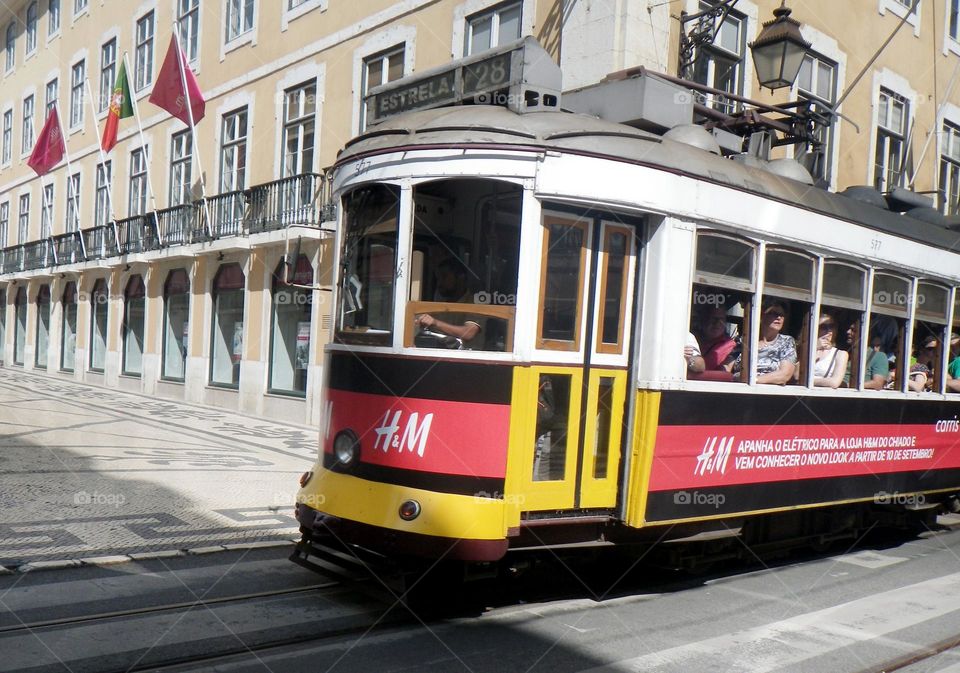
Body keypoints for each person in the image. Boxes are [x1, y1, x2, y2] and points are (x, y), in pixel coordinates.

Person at [415, 258, 481, 343]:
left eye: (444, 276)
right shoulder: (441, 305)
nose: (439, 283)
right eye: (438, 278)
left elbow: (468, 333)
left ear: (461, 277)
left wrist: (435, 323)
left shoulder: (475, 302)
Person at [754, 299, 797, 385]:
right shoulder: (744, 340)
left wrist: (753, 380)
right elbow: (727, 368)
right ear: (761, 316)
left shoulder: (787, 342)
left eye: (782, 315)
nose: (779, 317)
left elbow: (784, 375)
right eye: (774, 314)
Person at [846, 320, 889, 390]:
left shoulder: (878, 356)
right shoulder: (844, 353)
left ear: (866, 334)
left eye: (853, 330)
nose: (848, 332)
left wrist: (848, 385)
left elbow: (878, 384)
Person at [696, 305, 738, 372]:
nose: (717, 323)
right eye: (713, 318)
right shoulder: (693, 339)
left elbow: (705, 369)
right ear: (703, 320)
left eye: (721, 319)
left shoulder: (729, 345)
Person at [813, 314, 848, 388]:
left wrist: (809, 381)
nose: (829, 331)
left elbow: (834, 382)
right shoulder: (805, 349)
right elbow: (797, 375)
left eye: (832, 326)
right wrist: (815, 348)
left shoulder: (840, 354)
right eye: (823, 327)